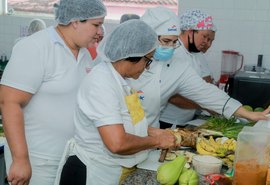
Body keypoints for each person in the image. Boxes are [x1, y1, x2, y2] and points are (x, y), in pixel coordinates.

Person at [55, 19, 177, 185]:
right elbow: (116, 143)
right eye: (147, 60)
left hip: (115, 170)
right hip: (93, 172)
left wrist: (153, 132)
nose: (147, 67)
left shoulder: (123, 81)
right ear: (132, 56)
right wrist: (157, 141)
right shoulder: (101, 83)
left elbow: (130, 121)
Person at [0, 0, 106, 184]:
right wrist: (20, 159)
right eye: (96, 25)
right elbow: (9, 102)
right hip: (38, 160)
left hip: (71, 157)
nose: (100, 32)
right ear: (75, 21)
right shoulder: (36, 47)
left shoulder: (85, 54)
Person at [126, 7, 269, 130]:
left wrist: (247, 113)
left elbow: (207, 92)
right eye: (166, 41)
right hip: (123, 135)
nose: (170, 47)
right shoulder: (126, 65)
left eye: (174, 42)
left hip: (149, 134)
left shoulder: (177, 67)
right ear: (147, 38)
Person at [159, 9, 217, 129]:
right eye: (205, 37)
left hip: (184, 120)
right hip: (167, 121)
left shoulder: (193, 54)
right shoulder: (175, 53)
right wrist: (203, 105)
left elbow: (200, 85)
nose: (207, 43)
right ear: (190, 32)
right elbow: (172, 96)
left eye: (210, 40)